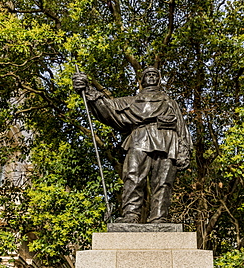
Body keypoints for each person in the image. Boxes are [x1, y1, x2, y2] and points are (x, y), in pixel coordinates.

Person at [73, 66, 193, 223]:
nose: (151, 77)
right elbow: (108, 108)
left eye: (154, 75)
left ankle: (159, 217)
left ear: (159, 79)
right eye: (147, 75)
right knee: (133, 176)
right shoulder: (130, 102)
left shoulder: (170, 103)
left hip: (167, 141)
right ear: (142, 80)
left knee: (163, 181)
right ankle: (131, 214)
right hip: (140, 139)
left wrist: (184, 150)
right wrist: (87, 89)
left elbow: (181, 127)